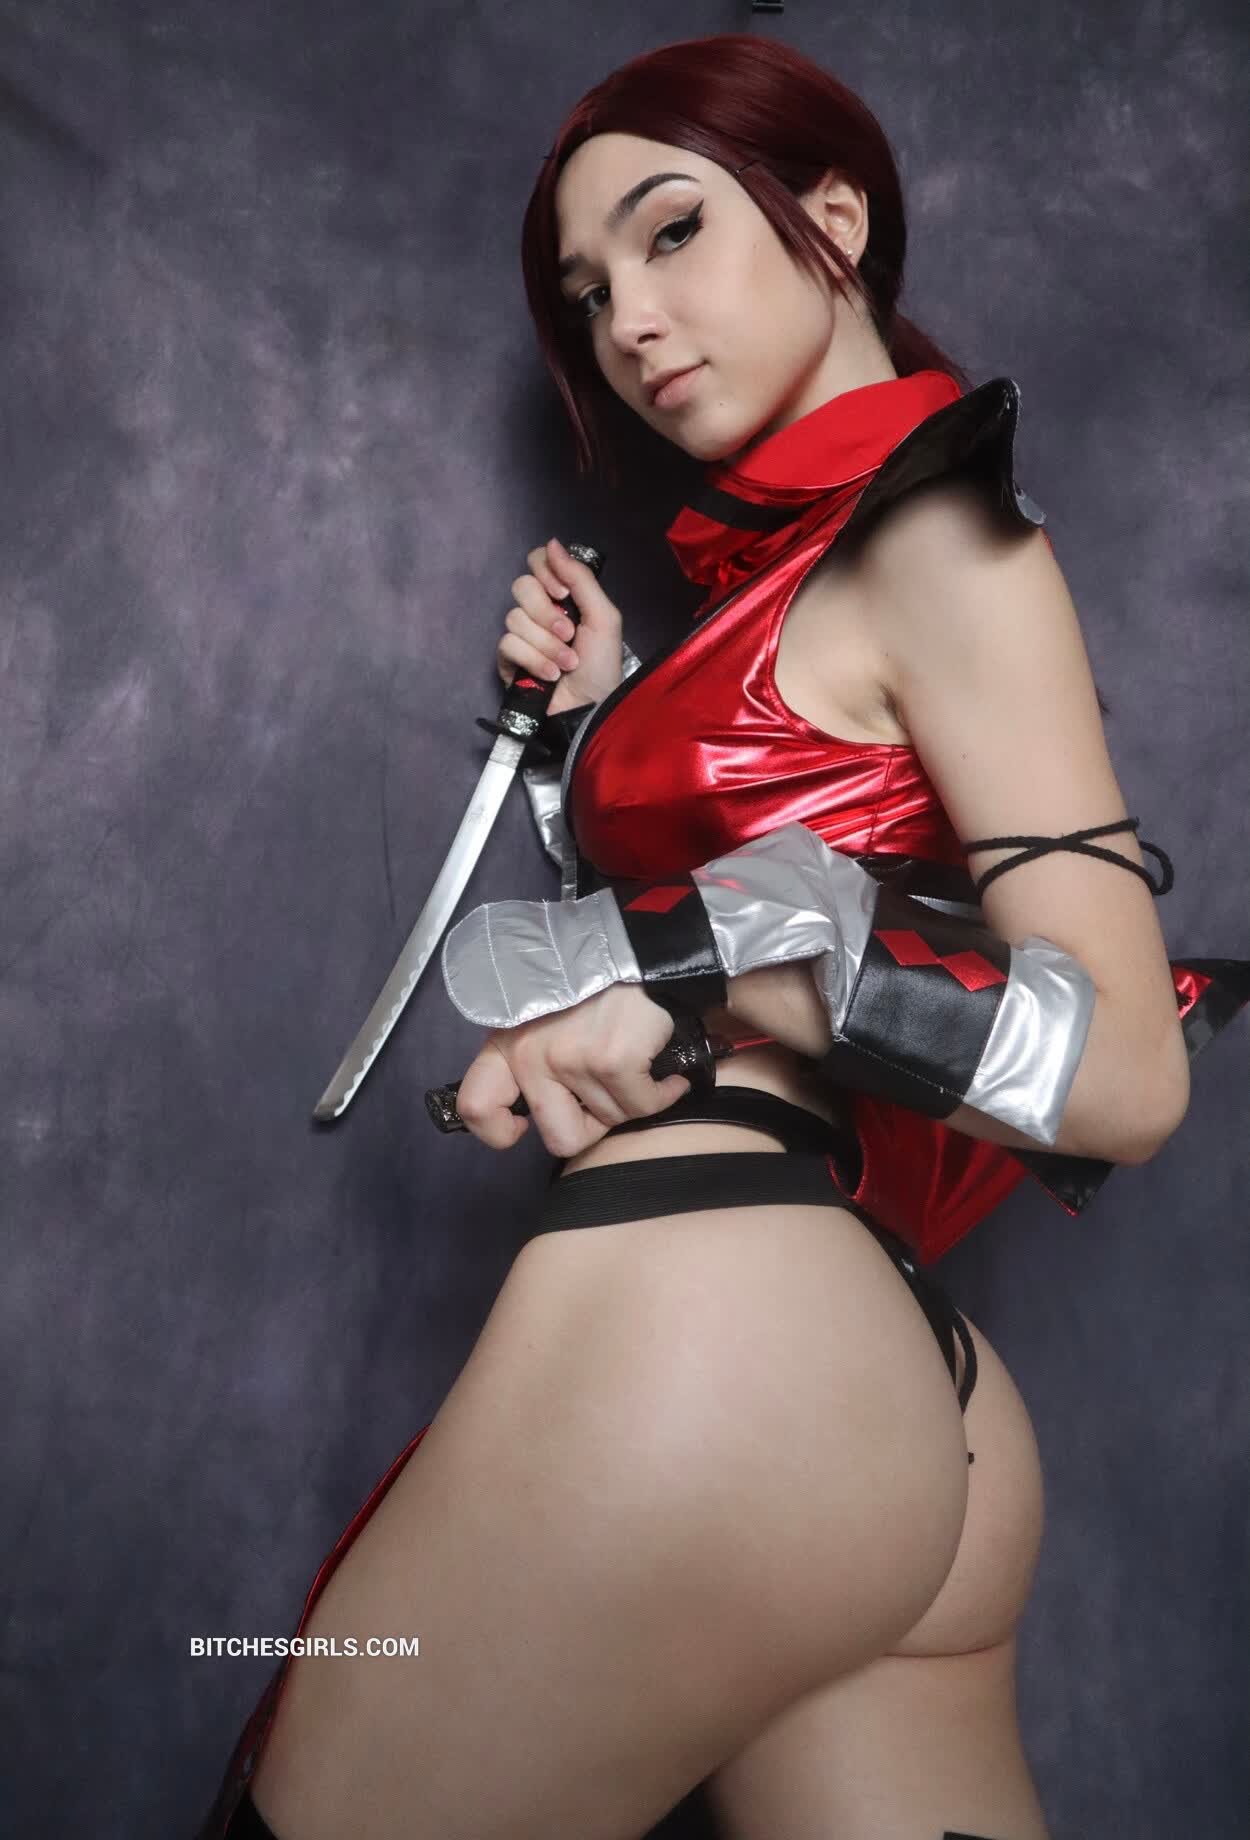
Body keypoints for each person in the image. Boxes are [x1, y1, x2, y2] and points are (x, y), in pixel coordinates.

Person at [195, 34, 1248, 1840]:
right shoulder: (800, 581)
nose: (627, 321)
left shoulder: (941, 534)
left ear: (832, 216)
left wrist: (693, 962)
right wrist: (604, 732)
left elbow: (1126, 1071)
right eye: (587, 291)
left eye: (671, 231)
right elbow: (810, 866)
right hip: (872, 1375)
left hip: (726, 1320)